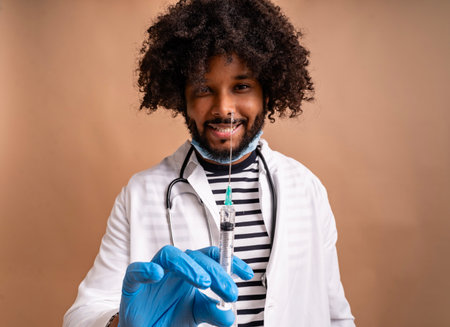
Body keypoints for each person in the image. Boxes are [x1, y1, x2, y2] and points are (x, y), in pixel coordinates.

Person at [63, 0, 355, 326]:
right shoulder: (140, 194)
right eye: (204, 88)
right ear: (182, 97)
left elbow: (336, 316)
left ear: (267, 93)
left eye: (241, 86)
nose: (224, 107)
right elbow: (81, 316)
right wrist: (121, 324)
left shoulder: (306, 189)